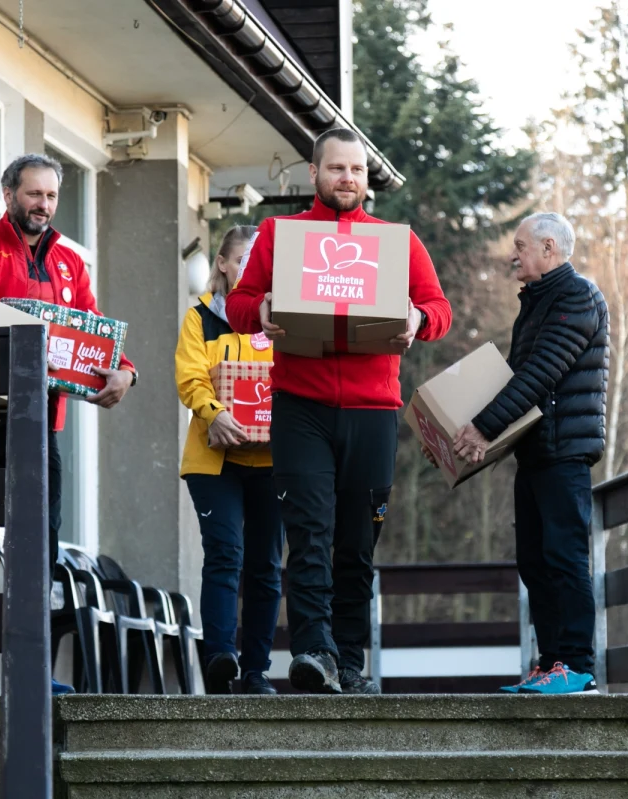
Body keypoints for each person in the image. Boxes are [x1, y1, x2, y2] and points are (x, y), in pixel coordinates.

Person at [226, 129, 452, 694]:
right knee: (308, 534)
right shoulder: (280, 235)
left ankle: (349, 662)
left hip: (373, 411)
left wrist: (418, 319)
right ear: (314, 173)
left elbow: (439, 307)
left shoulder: (395, 242)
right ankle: (314, 653)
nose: (347, 178)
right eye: (336, 168)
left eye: (356, 169)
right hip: (299, 406)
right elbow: (237, 304)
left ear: (366, 177)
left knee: (356, 542)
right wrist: (262, 308)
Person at [0, 154, 137, 695]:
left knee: (41, 548)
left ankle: (33, 672)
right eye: (34, 194)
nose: (44, 205)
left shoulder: (71, 262)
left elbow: (94, 331)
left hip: (41, 428)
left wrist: (126, 370)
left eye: (51, 196)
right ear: (8, 193)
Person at [451, 212, 609, 695]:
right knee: (534, 561)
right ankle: (551, 663)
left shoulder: (577, 296)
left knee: (564, 557)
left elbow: (540, 374)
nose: (512, 255)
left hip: (565, 452)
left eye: (520, 246)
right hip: (536, 452)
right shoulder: (537, 303)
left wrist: (483, 428)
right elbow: (514, 377)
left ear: (548, 247)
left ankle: (577, 666)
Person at [175, 225, 283, 696]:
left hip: (273, 460)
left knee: (266, 564)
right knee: (224, 554)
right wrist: (213, 413)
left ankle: (257, 671)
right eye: (244, 261)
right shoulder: (199, 318)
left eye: (262, 264)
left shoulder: (284, 320)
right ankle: (220, 658)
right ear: (222, 263)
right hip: (213, 459)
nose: (252, 270)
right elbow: (190, 376)